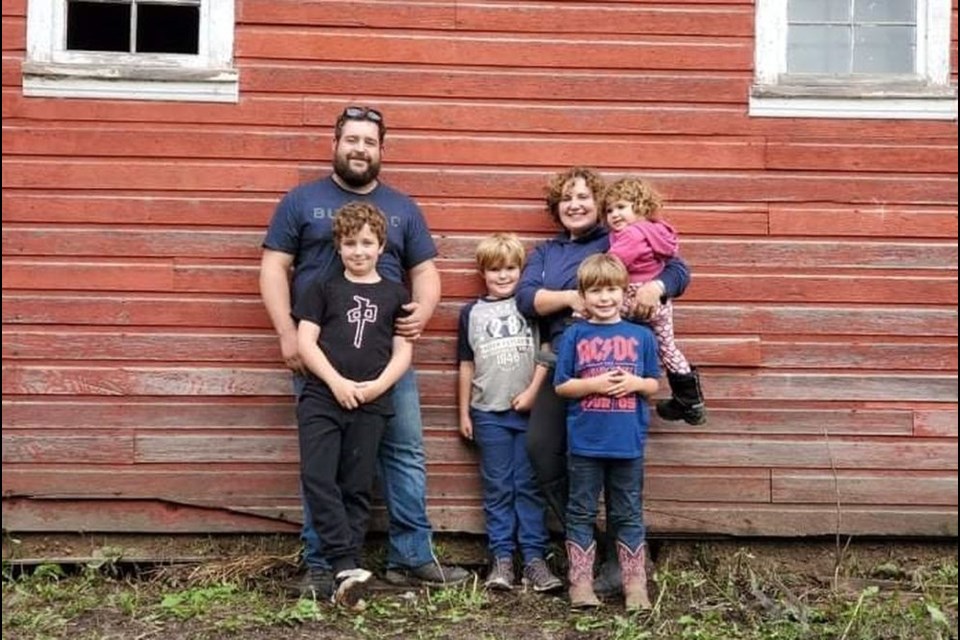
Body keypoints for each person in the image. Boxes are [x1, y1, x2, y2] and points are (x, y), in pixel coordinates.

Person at [260, 105, 469, 595]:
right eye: (351, 139)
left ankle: (411, 556)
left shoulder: (403, 208)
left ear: (381, 150)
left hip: (388, 359)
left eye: (369, 142)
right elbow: (274, 268)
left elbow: (425, 273)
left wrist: (424, 311)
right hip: (320, 356)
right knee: (324, 464)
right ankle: (321, 565)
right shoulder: (301, 201)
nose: (359, 149)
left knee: (404, 453)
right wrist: (288, 335)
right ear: (335, 143)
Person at [515, 166, 690, 595]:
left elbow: (678, 270)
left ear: (598, 204)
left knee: (619, 465)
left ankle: (623, 563)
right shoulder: (546, 253)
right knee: (542, 449)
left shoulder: (616, 237)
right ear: (556, 208)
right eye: (566, 199)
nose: (575, 205)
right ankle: (590, 540)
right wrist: (574, 297)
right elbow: (526, 298)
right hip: (565, 358)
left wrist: (657, 288)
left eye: (584, 198)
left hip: (618, 360)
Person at [292, 202, 412, 606]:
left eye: (366, 243)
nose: (358, 251)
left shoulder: (395, 293)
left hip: (371, 403)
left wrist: (378, 386)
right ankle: (342, 563)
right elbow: (305, 342)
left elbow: (403, 352)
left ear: (381, 246)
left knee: (358, 487)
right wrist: (336, 382)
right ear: (338, 246)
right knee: (318, 477)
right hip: (323, 398)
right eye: (350, 243)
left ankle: (348, 575)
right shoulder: (322, 288)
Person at [456, 233, 563, 593]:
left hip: (529, 413)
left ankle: (534, 559)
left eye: (511, 268)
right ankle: (501, 559)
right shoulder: (471, 313)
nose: (503, 276)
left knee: (528, 487)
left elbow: (547, 353)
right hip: (488, 413)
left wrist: (533, 393)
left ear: (521, 270)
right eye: (495, 269)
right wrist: (464, 413)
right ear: (483, 272)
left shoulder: (530, 307)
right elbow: (466, 365)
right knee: (498, 487)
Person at [553, 253, 660, 610]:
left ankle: (635, 586)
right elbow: (562, 386)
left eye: (611, 289)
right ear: (583, 296)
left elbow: (653, 385)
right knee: (581, 511)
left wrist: (634, 382)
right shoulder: (574, 335)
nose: (604, 298)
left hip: (627, 443)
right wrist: (595, 384)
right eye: (596, 291)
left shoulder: (641, 336)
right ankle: (580, 585)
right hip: (585, 442)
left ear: (624, 293)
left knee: (627, 513)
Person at [604, 176, 706, 425]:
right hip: (662, 306)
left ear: (640, 207)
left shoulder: (631, 235)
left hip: (635, 297)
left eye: (621, 207)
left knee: (594, 312)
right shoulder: (658, 232)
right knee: (668, 347)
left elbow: (612, 266)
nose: (614, 214)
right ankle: (690, 401)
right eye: (608, 210)